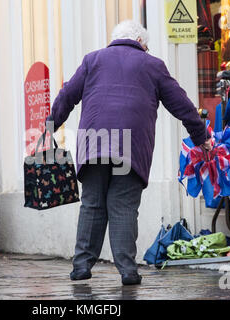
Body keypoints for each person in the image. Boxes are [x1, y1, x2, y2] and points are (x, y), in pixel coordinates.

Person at [46, 20, 212, 286]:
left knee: (92, 204)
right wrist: (201, 137)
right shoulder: (152, 65)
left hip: (94, 144)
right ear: (140, 42)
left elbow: (67, 95)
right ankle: (127, 270)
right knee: (122, 205)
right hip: (129, 147)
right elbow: (181, 104)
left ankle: (81, 267)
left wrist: (50, 126)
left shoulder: (92, 60)